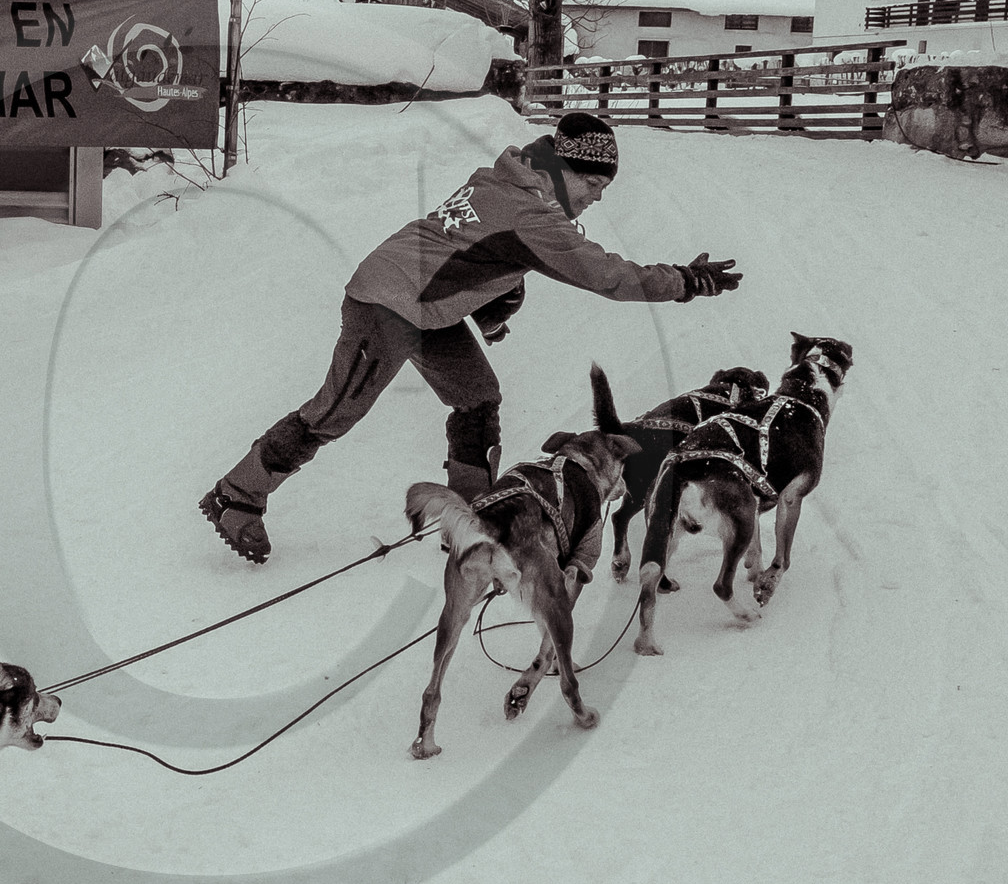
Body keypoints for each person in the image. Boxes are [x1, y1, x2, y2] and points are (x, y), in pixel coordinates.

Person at [200, 112, 741, 565]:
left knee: (477, 398)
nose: (598, 197)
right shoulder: (531, 210)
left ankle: (468, 520)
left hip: (426, 308)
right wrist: (685, 281)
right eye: (594, 184)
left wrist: (496, 303)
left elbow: (475, 252)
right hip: (386, 301)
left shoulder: (515, 183)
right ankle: (238, 496)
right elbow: (606, 275)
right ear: (566, 168)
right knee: (334, 411)